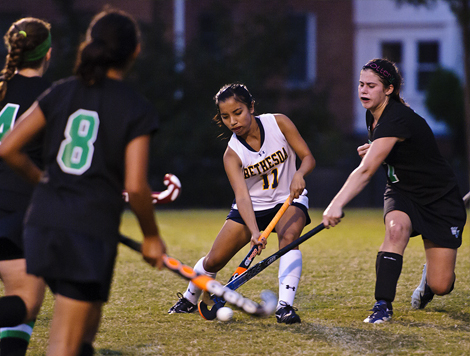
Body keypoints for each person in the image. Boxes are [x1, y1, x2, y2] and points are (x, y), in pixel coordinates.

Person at [0, 8, 166, 356]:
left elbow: (9, 147)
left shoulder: (61, 91)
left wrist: (43, 181)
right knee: (64, 341)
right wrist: (151, 236)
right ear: (135, 51)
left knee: (82, 330)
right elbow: (136, 187)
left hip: (41, 223)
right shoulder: (136, 107)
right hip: (87, 229)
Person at [322, 58, 467, 324]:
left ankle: (430, 277)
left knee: (441, 285)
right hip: (402, 191)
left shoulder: (396, 117)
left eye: (372, 86)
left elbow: (366, 171)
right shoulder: (374, 113)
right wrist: (375, 147)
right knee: (395, 229)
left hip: (440, 200)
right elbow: (392, 149)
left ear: (388, 89)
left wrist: (336, 203)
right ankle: (382, 305)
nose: (363, 91)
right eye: (361, 84)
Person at [168, 83, 316, 324]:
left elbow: (308, 157)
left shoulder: (279, 123)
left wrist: (299, 174)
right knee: (214, 260)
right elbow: (242, 196)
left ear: (251, 107)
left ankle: (284, 307)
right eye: (225, 117)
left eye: (238, 112)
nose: (233, 121)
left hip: (288, 199)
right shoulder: (232, 154)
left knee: (289, 239)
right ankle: (189, 298)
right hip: (251, 208)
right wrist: (255, 232)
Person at [0, 17, 52, 356]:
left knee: (18, 313)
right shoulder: (50, 97)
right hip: (20, 209)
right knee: (27, 303)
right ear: (47, 53)